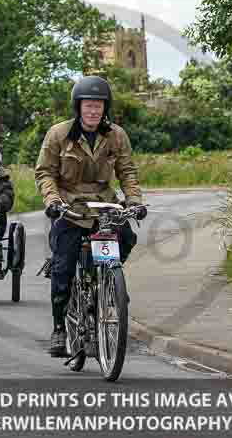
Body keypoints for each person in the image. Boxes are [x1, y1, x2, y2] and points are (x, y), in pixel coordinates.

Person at [34, 75, 147, 356]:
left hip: (104, 207)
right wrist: (53, 200)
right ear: (78, 107)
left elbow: (127, 172)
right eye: (88, 106)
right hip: (69, 208)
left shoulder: (116, 135)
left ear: (105, 108)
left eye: (98, 106)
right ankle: (59, 327)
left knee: (127, 237)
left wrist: (134, 201)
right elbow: (45, 172)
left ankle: (108, 283)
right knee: (63, 268)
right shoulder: (58, 134)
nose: (93, 111)